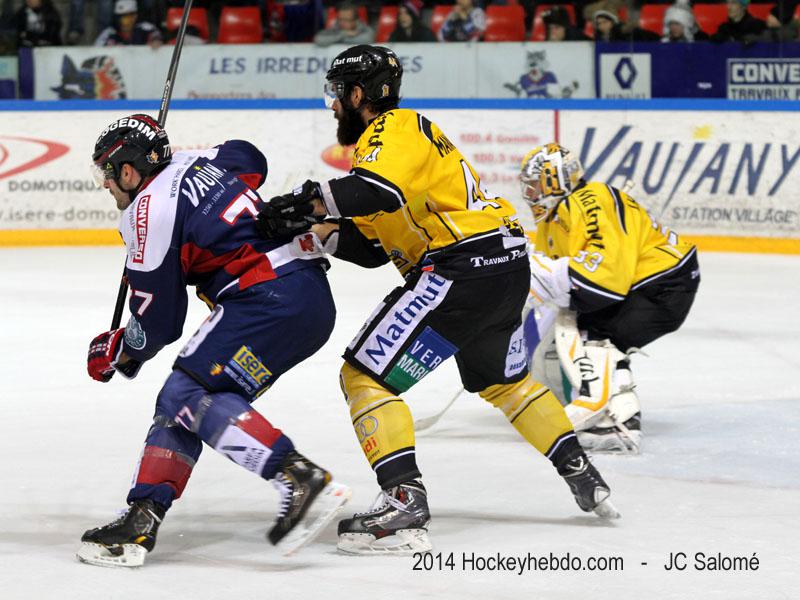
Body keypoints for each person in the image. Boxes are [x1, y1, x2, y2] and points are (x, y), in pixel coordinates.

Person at [257, 45, 619, 555]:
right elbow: (373, 246)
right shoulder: (390, 153)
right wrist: (315, 230)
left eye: (337, 93)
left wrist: (306, 199)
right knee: (504, 383)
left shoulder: (392, 127)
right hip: (502, 265)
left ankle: (404, 503)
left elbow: (374, 192)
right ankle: (579, 470)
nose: (333, 105)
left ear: (358, 94)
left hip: (461, 267)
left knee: (364, 377)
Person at [77, 114, 350, 568]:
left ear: (128, 171)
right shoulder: (196, 161)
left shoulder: (147, 214)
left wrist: (119, 350)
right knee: (186, 400)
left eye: (107, 173)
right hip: (305, 297)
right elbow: (250, 157)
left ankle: (298, 478)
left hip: (266, 297)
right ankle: (143, 517)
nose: (105, 184)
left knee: (185, 392)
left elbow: (160, 324)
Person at [519, 144, 700, 453]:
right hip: (653, 284)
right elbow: (555, 282)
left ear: (554, 180)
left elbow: (605, 280)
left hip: (663, 284)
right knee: (591, 331)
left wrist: (549, 283)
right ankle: (618, 410)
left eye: (535, 184)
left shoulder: (590, 200)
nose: (529, 193)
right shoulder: (555, 217)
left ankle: (616, 420)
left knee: (590, 332)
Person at [95, 0, 162, 47]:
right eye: (120, 17)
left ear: (135, 16)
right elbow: (96, 50)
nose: (124, 21)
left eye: (127, 17)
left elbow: (157, 36)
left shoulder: (145, 28)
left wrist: (156, 40)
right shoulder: (109, 33)